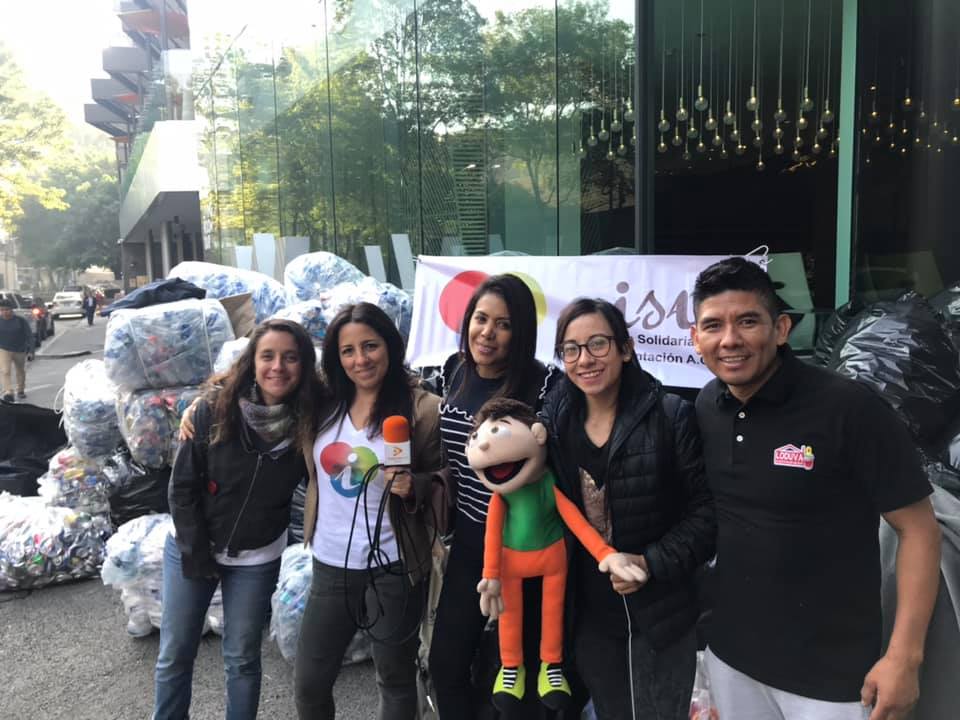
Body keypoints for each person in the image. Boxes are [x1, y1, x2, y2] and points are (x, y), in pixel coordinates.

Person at [690, 257, 941, 720]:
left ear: (781, 329)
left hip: (833, 679)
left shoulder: (849, 409)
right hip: (732, 660)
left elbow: (920, 530)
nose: (730, 339)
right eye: (713, 325)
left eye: (748, 321)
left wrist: (904, 658)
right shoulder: (708, 405)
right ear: (695, 338)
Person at [538, 298, 716, 720]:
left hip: (660, 617)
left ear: (626, 348)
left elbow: (707, 514)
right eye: (571, 349)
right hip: (589, 616)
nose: (585, 359)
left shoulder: (671, 416)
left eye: (598, 344)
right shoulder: (556, 421)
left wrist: (650, 562)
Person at [155, 318, 323, 720]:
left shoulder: (314, 419)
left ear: (304, 365)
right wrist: (196, 552)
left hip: (257, 557)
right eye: (268, 356)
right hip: (192, 546)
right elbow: (182, 488)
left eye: (290, 357)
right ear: (252, 362)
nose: (278, 367)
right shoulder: (214, 410)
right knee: (176, 653)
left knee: (242, 657)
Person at [293, 302, 443, 720]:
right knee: (309, 683)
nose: (360, 359)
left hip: (395, 566)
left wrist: (415, 486)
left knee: (395, 680)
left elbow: (445, 479)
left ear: (390, 346)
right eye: (348, 350)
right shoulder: (322, 405)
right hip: (331, 562)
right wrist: (202, 405)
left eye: (370, 346)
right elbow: (266, 391)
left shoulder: (423, 410)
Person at [428, 273, 566, 719]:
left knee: (519, 675)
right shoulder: (453, 370)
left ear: (521, 331)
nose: (487, 333)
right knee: (446, 663)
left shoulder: (545, 385)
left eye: (503, 324)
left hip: (528, 542)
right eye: (481, 319)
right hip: (472, 540)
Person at [0, 298, 32, 401]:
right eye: (2, 310)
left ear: (12, 310)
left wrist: (31, 351)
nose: (4, 312)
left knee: (20, 371)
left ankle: (20, 390)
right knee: (5, 371)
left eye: (7, 310)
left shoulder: (20, 321)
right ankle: (8, 392)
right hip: (4, 349)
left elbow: (29, 336)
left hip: (19, 349)